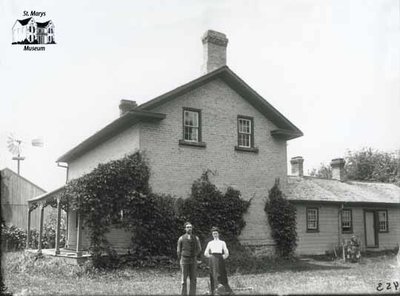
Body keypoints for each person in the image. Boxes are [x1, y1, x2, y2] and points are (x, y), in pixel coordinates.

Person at [204, 227, 233, 295]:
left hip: (220, 259)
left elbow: (226, 253)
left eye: (216, 233)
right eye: (214, 234)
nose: (215, 235)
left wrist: (222, 257)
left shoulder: (222, 242)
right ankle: (214, 290)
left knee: (221, 273)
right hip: (213, 259)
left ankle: (224, 290)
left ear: (218, 234)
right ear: (212, 234)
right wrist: (211, 257)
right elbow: (205, 253)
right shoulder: (210, 243)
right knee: (214, 274)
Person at [177, 222, 202, 296]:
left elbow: (199, 249)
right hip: (184, 260)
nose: (189, 228)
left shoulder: (196, 238)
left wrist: (194, 255)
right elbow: (178, 250)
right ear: (185, 229)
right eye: (187, 227)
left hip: (193, 260)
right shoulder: (181, 238)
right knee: (183, 279)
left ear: (192, 228)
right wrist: (182, 258)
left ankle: (192, 294)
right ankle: (183, 294)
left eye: (190, 227)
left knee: (193, 279)